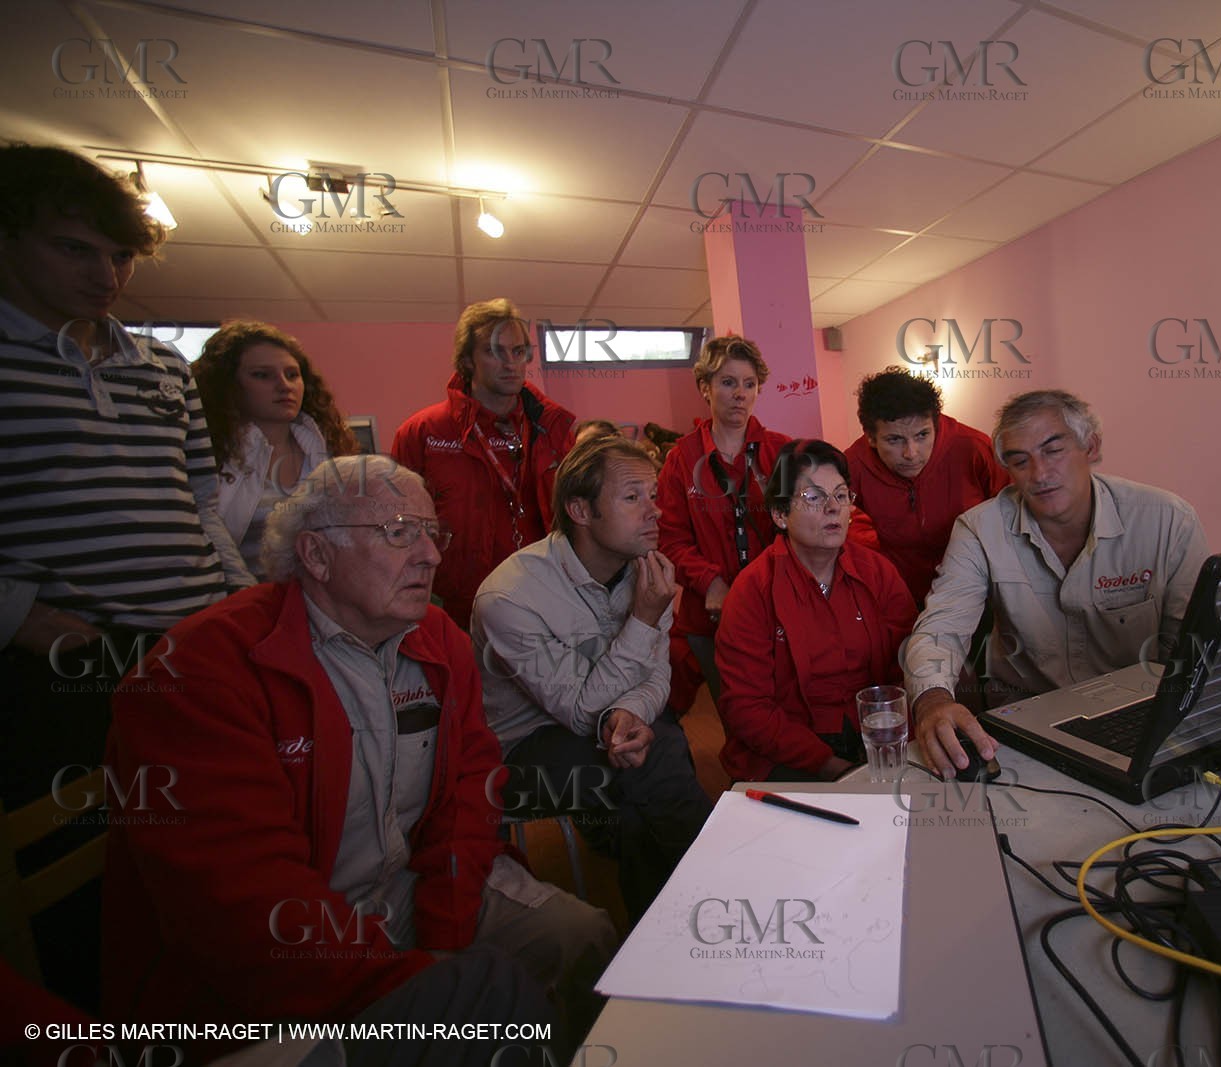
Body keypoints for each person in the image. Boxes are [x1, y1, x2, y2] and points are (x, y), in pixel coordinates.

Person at [102, 456, 615, 1050]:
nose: (431, 555)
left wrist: (445, 925)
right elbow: (244, 907)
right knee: (487, 1020)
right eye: (400, 532)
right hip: (279, 958)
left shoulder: (439, 638)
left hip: (412, 890)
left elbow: (472, 788)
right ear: (317, 556)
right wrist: (423, 984)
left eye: (432, 532)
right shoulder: (200, 672)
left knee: (584, 939)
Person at [0, 143, 250, 1010]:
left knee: (209, 846)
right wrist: (22, 618)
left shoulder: (164, 367)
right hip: (70, 659)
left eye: (119, 255)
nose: (104, 273)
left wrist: (234, 607)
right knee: (86, 872)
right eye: (74, 248)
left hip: (191, 642)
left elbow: (199, 504)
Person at [903, 390, 1209, 778]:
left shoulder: (1168, 521)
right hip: (1024, 727)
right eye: (1019, 461)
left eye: (1053, 450)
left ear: (1091, 447)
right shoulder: (979, 529)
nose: (1040, 474)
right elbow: (941, 629)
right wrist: (931, 699)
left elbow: (1193, 644)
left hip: (1137, 718)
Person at [475, 435, 714, 920]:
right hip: (523, 751)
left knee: (643, 773)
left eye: (653, 494)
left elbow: (657, 678)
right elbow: (580, 712)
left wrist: (630, 711)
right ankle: (714, 896)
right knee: (655, 756)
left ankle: (665, 937)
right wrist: (643, 620)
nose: (655, 511)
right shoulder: (510, 597)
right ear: (580, 510)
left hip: (610, 724)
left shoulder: (648, 569)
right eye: (632, 497)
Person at [715, 440, 916, 781]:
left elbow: (909, 663)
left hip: (877, 735)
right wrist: (832, 768)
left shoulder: (877, 573)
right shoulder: (753, 591)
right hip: (792, 747)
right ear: (780, 515)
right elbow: (747, 708)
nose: (833, 508)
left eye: (840, 495)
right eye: (813, 498)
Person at [391, 299, 577, 629]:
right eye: (494, 352)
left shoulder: (554, 428)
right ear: (466, 361)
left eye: (518, 351)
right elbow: (398, 526)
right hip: (459, 607)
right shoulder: (422, 432)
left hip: (541, 595)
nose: (510, 363)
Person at [656, 335, 789, 708]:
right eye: (728, 383)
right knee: (738, 714)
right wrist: (710, 582)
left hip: (777, 609)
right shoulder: (681, 459)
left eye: (750, 384)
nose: (740, 394)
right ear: (705, 388)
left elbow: (802, 527)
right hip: (711, 617)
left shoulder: (782, 450)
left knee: (784, 710)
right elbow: (670, 539)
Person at [194, 320, 359, 577]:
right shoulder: (209, 456)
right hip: (242, 604)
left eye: (292, 374)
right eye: (262, 375)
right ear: (228, 386)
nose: (284, 385)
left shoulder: (328, 449)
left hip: (322, 605)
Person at [844, 368, 1009, 605]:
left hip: (980, 588)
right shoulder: (852, 466)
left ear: (936, 423)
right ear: (871, 438)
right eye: (894, 439)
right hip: (903, 595)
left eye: (922, 435)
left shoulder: (974, 448)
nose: (911, 453)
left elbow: (1014, 517)